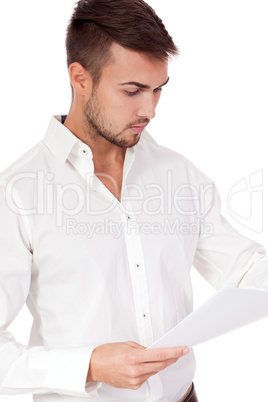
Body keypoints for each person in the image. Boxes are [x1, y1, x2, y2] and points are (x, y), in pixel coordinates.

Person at [0, 0, 267, 401]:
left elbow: (245, 269)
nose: (150, 109)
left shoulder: (179, 175)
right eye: (133, 90)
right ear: (80, 78)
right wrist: (89, 365)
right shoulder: (19, 193)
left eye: (158, 90)